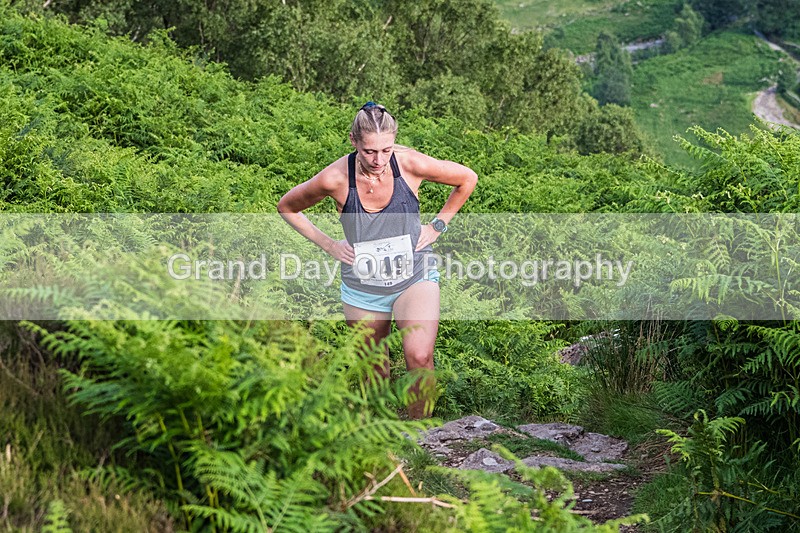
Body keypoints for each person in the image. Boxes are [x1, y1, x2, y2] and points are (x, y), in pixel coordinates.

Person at [277, 102, 477, 418]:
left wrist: (438, 225)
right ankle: (383, 443)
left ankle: (421, 438)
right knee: (374, 371)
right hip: (363, 284)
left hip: (414, 272)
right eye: (370, 151)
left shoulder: (409, 164)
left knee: (420, 355)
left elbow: (467, 178)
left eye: (386, 150)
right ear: (354, 142)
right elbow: (287, 206)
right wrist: (329, 245)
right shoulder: (335, 179)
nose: (379, 160)